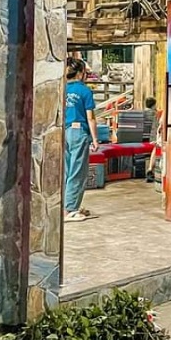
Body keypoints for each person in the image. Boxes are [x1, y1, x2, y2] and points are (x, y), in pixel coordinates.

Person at [63, 58, 99, 222]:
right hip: (78, 132)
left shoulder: (62, 89)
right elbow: (90, 118)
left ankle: (64, 206)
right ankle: (70, 209)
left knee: (66, 170)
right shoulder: (84, 91)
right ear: (80, 73)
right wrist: (95, 139)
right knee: (78, 171)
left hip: (63, 131)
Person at [144, 97, 164, 183]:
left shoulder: (145, 112)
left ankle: (150, 169)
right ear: (153, 105)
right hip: (156, 138)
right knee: (158, 147)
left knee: (156, 149)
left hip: (152, 138)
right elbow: (159, 126)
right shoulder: (155, 113)